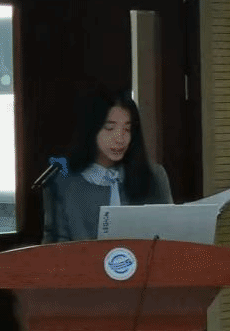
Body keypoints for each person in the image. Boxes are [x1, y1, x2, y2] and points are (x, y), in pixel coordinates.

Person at [43, 88, 172, 243]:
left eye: (127, 129)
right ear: (91, 129)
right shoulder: (63, 183)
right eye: (110, 128)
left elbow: (170, 235)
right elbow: (53, 248)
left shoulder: (154, 176)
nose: (120, 139)